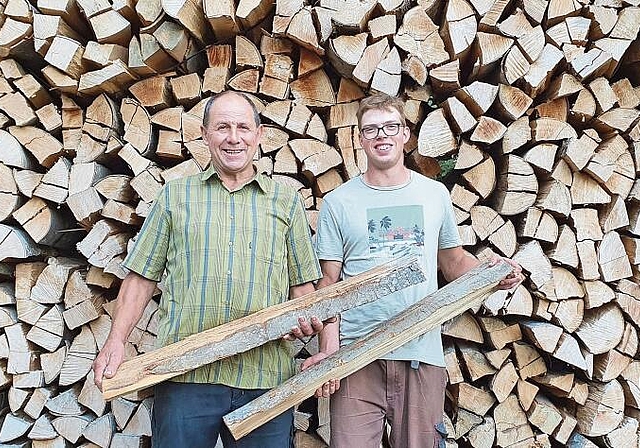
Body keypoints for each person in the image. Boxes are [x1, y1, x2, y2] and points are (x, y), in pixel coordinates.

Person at [92, 91, 325, 448]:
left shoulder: (286, 201)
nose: (234, 137)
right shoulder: (176, 196)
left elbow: (302, 288)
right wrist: (116, 339)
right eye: (223, 127)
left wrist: (308, 320)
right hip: (186, 375)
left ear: (259, 135)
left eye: (243, 127)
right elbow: (141, 276)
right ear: (205, 134)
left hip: (263, 378)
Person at [305, 93, 523, 448]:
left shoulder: (433, 194)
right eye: (371, 129)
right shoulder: (338, 202)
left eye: (391, 126)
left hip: (420, 351)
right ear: (359, 139)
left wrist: (490, 274)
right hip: (357, 356)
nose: (381, 136)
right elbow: (329, 285)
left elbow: (453, 262)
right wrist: (329, 353)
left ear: (406, 134)